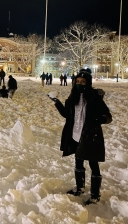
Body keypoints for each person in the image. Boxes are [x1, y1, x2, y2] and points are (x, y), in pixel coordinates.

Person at [48, 68, 112, 205]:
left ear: (87, 83)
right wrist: (56, 102)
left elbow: (108, 117)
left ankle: (95, 195)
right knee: (78, 161)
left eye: (83, 82)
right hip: (75, 135)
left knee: (93, 163)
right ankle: (80, 188)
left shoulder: (95, 97)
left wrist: (98, 120)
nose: (80, 84)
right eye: (77, 81)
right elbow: (66, 114)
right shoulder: (73, 98)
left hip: (90, 136)